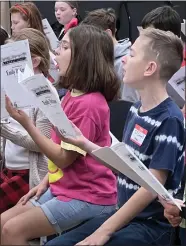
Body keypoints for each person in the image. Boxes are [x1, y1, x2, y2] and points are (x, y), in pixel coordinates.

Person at [46, 28, 185, 246]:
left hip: (150, 225)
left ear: (150, 68)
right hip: (124, 215)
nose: (124, 61)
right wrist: (85, 143)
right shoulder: (136, 109)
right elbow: (125, 164)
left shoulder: (170, 120)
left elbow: (151, 187)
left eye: (131, 54)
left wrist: (104, 231)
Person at [1, 24, 120, 245]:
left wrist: (26, 123)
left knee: (12, 230)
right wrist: (46, 181)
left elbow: (64, 159)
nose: (55, 53)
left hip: (88, 196)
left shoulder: (89, 104)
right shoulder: (72, 95)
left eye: (64, 47)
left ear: (83, 56)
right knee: (4, 223)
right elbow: (65, 152)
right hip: (63, 188)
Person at [0, 28, 52, 213]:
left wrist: (4, 129)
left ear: (35, 61)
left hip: (28, 174)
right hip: (9, 168)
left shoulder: (44, 92)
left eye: (14, 59)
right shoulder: (14, 85)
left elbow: (42, 143)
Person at [82, 8, 139, 103]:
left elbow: (129, 106)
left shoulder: (126, 63)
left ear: (107, 34)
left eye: (90, 38)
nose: (87, 44)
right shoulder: (97, 58)